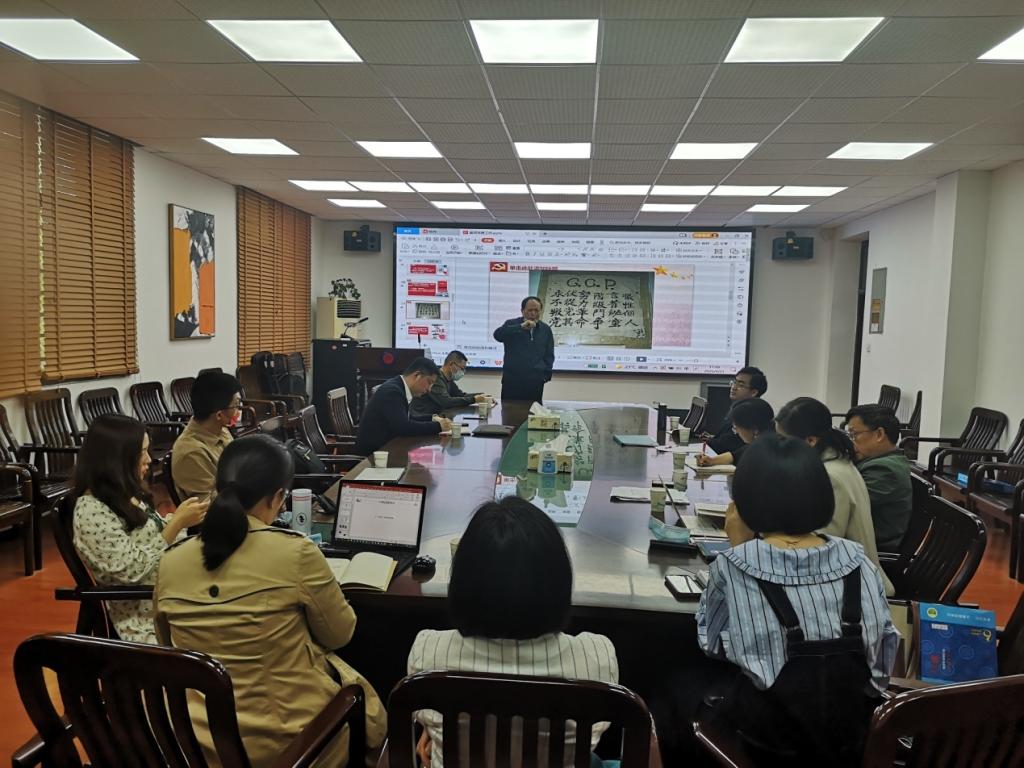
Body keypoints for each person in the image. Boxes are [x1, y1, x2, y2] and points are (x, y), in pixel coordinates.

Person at [154, 435, 386, 766]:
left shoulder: (171, 560)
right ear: (278, 497)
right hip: (292, 743)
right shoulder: (295, 552)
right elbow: (340, 634)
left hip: (202, 744)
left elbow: (168, 645)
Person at [697, 434, 899, 764]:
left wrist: (739, 550)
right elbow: (883, 657)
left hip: (765, 745)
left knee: (675, 695)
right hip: (851, 742)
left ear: (744, 500)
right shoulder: (858, 561)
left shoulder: (733, 566)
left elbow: (713, 645)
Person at [408, 497, 618, 768]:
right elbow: (591, 735)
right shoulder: (597, 658)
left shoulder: (427, 654)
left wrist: (436, 733)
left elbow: (428, 717)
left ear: (463, 580)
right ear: (557, 581)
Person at [72, 413, 207, 644]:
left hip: (174, 593)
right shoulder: (91, 511)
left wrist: (191, 519)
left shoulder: (124, 495)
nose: (149, 459)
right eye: (141, 452)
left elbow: (152, 536)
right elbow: (132, 571)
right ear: (116, 459)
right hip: (146, 616)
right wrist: (176, 524)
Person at [771, 397, 893, 594]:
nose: (780, 447)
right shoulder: (834, 463)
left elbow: (818, 549)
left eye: (784, 440)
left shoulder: (830, 476)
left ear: (811, 441)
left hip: (855, 590)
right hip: (838, 579)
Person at [846, 405, 913, 552]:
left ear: (879, 434)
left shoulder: (885, 470)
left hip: (872, 551)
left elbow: (845, 504)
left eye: (854, 435)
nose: (851, 442)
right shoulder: (879, 461)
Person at [354, 357, 452, 455]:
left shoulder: (398, 386)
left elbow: (407, 419)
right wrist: (438, 426)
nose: (429, 389)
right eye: (429, 382)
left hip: (387, 448)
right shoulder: (393, 392)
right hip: (374, 456)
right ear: (417, 375)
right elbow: (403, 427)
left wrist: (434, 418)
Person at [171, 371, 242, 500]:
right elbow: (209, 506)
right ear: (219, 415)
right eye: (236, 405)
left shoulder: (220, 429)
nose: (239, 410)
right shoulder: (192, 453)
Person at [493, 296, 555, 403]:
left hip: (535, 382)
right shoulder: (511, 324)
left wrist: (545, 376)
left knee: (534, 411)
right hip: (512, 381)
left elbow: (549, 354)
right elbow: (498, 335)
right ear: (522, 311)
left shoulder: (545, 329)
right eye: (530, 310)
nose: (533, 313)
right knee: (509, 411)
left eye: (536, 310)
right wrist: (520, 327)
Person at [702, 367, 767, 456]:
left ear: (754, 392)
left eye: (741, 385)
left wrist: (707, 442)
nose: (734, 387)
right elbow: (727, 436)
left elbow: (728, 445)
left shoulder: (750, 414)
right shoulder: (738, 407)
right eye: (735, 382)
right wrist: (712, 437)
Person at [409, 350, 489, 419]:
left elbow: (460, 395)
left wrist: (482, 395)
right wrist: (474, 399)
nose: (463, 372)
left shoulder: (448, 379)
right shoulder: (437, 378)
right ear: (451, 364)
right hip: (423, 418)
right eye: (462, 368)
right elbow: (446, 401)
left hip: (438, 417)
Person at [696, 398, 774, 467]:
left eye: (736, 427)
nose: (736, 431)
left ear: (755, 430)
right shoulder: (762, 443)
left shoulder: (768, 454)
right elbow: (734, 456)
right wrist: (711, 460)